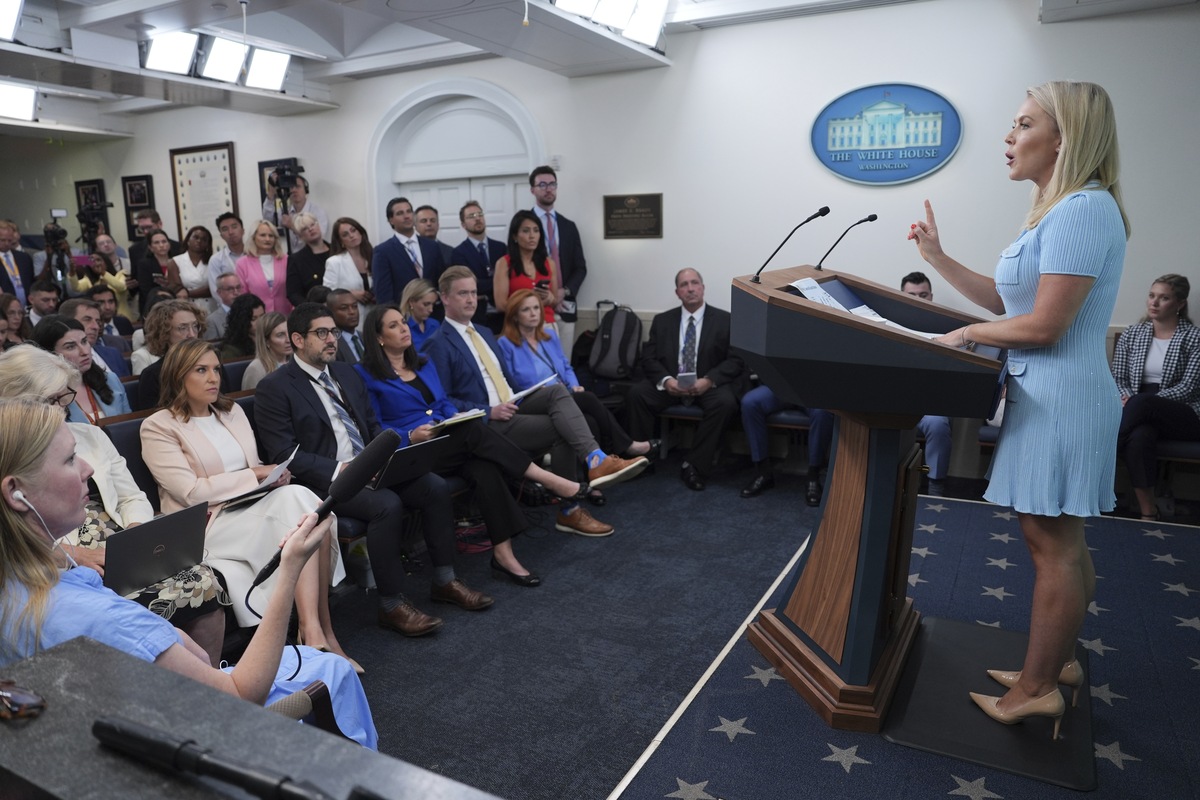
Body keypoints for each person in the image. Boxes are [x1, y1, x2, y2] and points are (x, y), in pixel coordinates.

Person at [907, 81, 1129, 736]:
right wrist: (937, 259)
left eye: (1023, 123)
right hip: (1049, 394)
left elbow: (1044, 327)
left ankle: (1035, 689)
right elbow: (1015, 309)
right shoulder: (1055, 211)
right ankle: (1055, 665)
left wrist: (965, 335)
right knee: (1057, 539)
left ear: (1065, 138)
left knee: (1051, 544)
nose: (1008, 137)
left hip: (1064, 398)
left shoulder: (1083, 211)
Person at [0, 396, 376, 746]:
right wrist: (290, 568)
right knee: (329, 672)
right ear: (16, 493)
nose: (88, 469)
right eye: (69, 460)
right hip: (190, 739)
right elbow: (242, 697)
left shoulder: (24, 577)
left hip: (98, 738)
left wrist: (171, 637)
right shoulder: (105, 620)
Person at [254, 303, 491, 636]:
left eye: (333, 332)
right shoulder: (275, 387)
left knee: (434, 486)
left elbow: (371, 425)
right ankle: (391, 604)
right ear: (296, 339)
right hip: (326, 482)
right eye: (321, 333)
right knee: (386, 505)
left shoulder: (346, 373)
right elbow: (285, 454)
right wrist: (344, 469)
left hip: (372, 466)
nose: (331, 339)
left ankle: (445, 580)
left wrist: (393, 453)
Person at [0, 347, 229, 664]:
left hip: (117, 539)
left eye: (62, 402)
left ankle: (205, 677)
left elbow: (131, 497)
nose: (60, 412)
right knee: (140, 601)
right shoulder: (10, 455)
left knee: (202, 579)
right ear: (15, 402)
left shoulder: (89, 436)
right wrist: (74, 554)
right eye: (48, 402)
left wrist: (133, 538)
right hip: (66, 550)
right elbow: (16, 536)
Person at [139, 340, 358, 661]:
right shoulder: (158, 426)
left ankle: (315, 632)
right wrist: (256, 474)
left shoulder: (231, 412)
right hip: (206, 525)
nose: (213, 377)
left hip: (250, 509)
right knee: (306, 510)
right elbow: (190, 492)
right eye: (201, 370)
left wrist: (273, 478)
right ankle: (317, 634)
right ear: (178, 376)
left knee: (308, 507)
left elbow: (254, 471)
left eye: (216, 369)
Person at [357, 304, 589, 586]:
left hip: (444, 439)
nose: (404, 328)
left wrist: (450, 418)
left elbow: (442, 403)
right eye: (393, 325)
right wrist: (409, 436)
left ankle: (504, 555)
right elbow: (375, 427)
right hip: (412, 452)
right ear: (378, 337)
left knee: (483, 467)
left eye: (403, 322)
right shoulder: (365, 375)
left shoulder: (422, 362)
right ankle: (549, 480)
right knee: (474, 431)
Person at [423, 267, 647, 536]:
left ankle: (595, 458)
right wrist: (489, 411)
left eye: (473, 293)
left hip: (514, 402)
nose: (470, 299)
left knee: (557, 391)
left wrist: (526, 394)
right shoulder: (438, 343)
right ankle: (570, 510)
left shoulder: (483, 331)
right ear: (444, 298)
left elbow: (506, 380)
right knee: (567, 429)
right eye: (462, 294)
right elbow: (443, 400)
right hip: (487, 423)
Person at [497, 289, 653, 505]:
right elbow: (510, 382)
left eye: (536, 308)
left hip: (562, 396)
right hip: (531, 401)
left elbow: (566, 366)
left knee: (588, 418)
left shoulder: (548, 336)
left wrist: (575, 385)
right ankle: (624, 446)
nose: (533, 314)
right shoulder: (505, 344)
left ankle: (589, 484)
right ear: (515, 315)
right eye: (526, 310)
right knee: (588, 400)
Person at [626, 268, 747, 492]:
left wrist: (709, 380)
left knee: (726, 402)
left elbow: (736, 360)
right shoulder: (662, 321)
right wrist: (666, 380)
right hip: (671, 384)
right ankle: (642, 460)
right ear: (677, 292)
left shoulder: (725, 320)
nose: (690, 288)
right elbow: (649, 359)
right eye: (684, 285)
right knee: (637, 394)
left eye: (694, 283)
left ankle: (694, 466)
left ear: (703, 288)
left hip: (707, 384)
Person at [1111, 274, 1200, 520]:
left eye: (1164, 298)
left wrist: (1142, 402)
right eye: (1152, 296)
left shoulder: (1194, 337)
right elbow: (1118, 378)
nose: (1154, 303)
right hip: (1136, 408)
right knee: (1140, 436)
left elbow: (1189, 387)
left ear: (1180, 304)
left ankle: (1096, 460)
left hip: (1184, 412)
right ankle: (1149, 512)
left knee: (1144, 403)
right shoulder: (1133, 334)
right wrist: (1128, 397)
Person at [897, 271, 955, 494]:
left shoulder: (945, 326)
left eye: (924, 295)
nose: (919, 300)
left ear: (931, 296)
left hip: (932, 403)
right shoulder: (888, 322)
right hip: (898, 401)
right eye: (912, 295)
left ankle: (935, 485)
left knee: (938, 424)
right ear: (901, 295)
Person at [32, 316, 131, 422]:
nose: (84, 352)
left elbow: (128, 427)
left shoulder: (111, 380)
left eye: (84, 341)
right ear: (49, 354)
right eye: (70, 347)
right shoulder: (42, 396)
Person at [530, 166, 586, 352]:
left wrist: (564, 291)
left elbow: (580, 267)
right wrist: (546, 294)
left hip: (565, 306)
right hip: (534, 307)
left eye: (552, 184)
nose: (548, 189)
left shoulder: (568, 226)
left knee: (565, 365)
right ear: (533, 190)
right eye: (543, 184)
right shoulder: (524, 223)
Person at [493, 210, 558, 330]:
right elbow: (501, 305)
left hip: (547, 323)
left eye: (536, 230)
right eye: (526, 231)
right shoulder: (504, 263)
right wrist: (528, 307)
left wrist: (550, 298)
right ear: (515, 236)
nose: (532, 235)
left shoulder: (549, 263)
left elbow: (555, 300)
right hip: (519, 326)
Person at [373, 197, 445, 305]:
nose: (406, 216)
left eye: (409, 211)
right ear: (391, 220)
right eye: (400, 213)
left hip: (433, 312)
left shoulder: (432, 246)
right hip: (403, 313)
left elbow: (441, 281)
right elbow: (383, 293)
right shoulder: (383, 251)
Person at [449, 200, 504, 329]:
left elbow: (509, 280)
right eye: (471, 216)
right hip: (477, 316)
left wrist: (485, 286)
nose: (477, 219)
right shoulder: (458, 253)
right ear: (463, 224)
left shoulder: (500, 248)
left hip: (503, 315)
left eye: (480, 214)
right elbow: (470, 284)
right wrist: (498, 282)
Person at [57, 297, 130, 378]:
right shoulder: (58, 362)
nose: (96, 327)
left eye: (98, 322)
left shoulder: (114, 354)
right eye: (87, 320)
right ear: (67, 322)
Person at [131, 299, 206, 377]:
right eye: (183, 328)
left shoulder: (210, 363)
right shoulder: (152, 375)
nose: (192, 334)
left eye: (195, 326)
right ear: (164, 333)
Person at [323, 217, 375, 327]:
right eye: (345, 234)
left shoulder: (374, 256)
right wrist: (350, 295)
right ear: (341, 241)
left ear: (360, 232)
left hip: (375, 316)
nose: (351, 235)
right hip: (351, 321)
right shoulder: (334, 262)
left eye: (353, 230)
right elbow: (327, 293)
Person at [69, 235, 133, 321]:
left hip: (123, 317)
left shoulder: (122, 272)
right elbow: (77, 287)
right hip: (100, 319)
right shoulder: (91, 279)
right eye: (92, 261)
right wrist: (72, 272)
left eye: (99, 260)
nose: (96, 263)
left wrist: (103, 273)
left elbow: (121, 287)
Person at [262, 174, 329, 253]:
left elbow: (318, 238)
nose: (294, 190)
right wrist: (271, 194)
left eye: (298, 186)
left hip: (313, 256)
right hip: (293, 257)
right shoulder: (285, 211)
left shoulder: (317, 212)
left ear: (306, 190)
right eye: (291, 187)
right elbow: (268, 221)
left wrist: (292, 226)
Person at [236, 220, 291, 314]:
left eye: (271, 236)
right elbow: (243, 295)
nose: (267, 239)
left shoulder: (286, 259)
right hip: (258, 319)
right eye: (263, 235)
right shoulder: (242, 263)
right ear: (253, 238)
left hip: (285, 316)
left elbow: (294, 289)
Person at [286, 212, 331, 309]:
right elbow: (293, 293)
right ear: (300, 236)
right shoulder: (296, 260)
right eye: (305, 229)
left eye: (312, 224)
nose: (311, 229)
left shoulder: (337, 251)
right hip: (315, 311)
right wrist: (311, 309)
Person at [134, 229, 182, 316]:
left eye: (164, 241)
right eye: (156, 243)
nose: (161, 245)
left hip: (178, 305)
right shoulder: (144, 264)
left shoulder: (178, 261)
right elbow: (146, 290)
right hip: (154, 308)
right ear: (150, 247)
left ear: (169, 244)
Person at [241, 311, 291, 391]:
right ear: (266, 341)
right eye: (280, 335)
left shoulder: (296, 361)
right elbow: (252, 402)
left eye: (289, 333)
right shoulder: (255, 370)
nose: (288, 340)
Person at [172, 225, 214, 313]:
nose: (199, 241)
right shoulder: (175, 261)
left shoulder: (213, 260)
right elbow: (177, 288)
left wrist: (187, 293)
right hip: (186, 306)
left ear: (208, 244)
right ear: (188, 240)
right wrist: (184, 293)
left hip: (210, 306)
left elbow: (213, 288)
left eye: (204, 239)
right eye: (196, 237)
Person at [207, 213, 246, 300]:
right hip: (230, 310)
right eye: (225, 229)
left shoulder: (254, 255)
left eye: (234, 227)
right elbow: (216, 292)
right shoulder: (216, 260)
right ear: (221, 236)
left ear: (243, 231)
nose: (231, 232)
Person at [218, 293, 266, 361]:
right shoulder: (231, 350)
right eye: (253, 319)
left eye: (262, 316)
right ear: (242, 321)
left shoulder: (270, 339)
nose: (260, 322)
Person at [0, 219, 36, 308]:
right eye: (2, 240)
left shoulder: (24, 257)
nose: (7, 243)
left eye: (9, 240)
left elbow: (31, 281)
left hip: (26, 305)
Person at [400, 278, 440, 351]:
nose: (431, 310)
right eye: (426, 304)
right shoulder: (402, 328)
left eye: (433, 304)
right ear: (411, 302)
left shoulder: (435, 325)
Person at [327, 289, 365, 365]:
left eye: (354, 306)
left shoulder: (366, 337)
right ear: (330, 312)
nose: (352, 312)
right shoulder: (331, 343)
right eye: (344, 308)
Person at [205, 272, 245, 340]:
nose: (236, 292)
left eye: (238, 287)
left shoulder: (249, 313)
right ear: (219, 292)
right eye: (230, 289)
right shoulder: (212, 321)